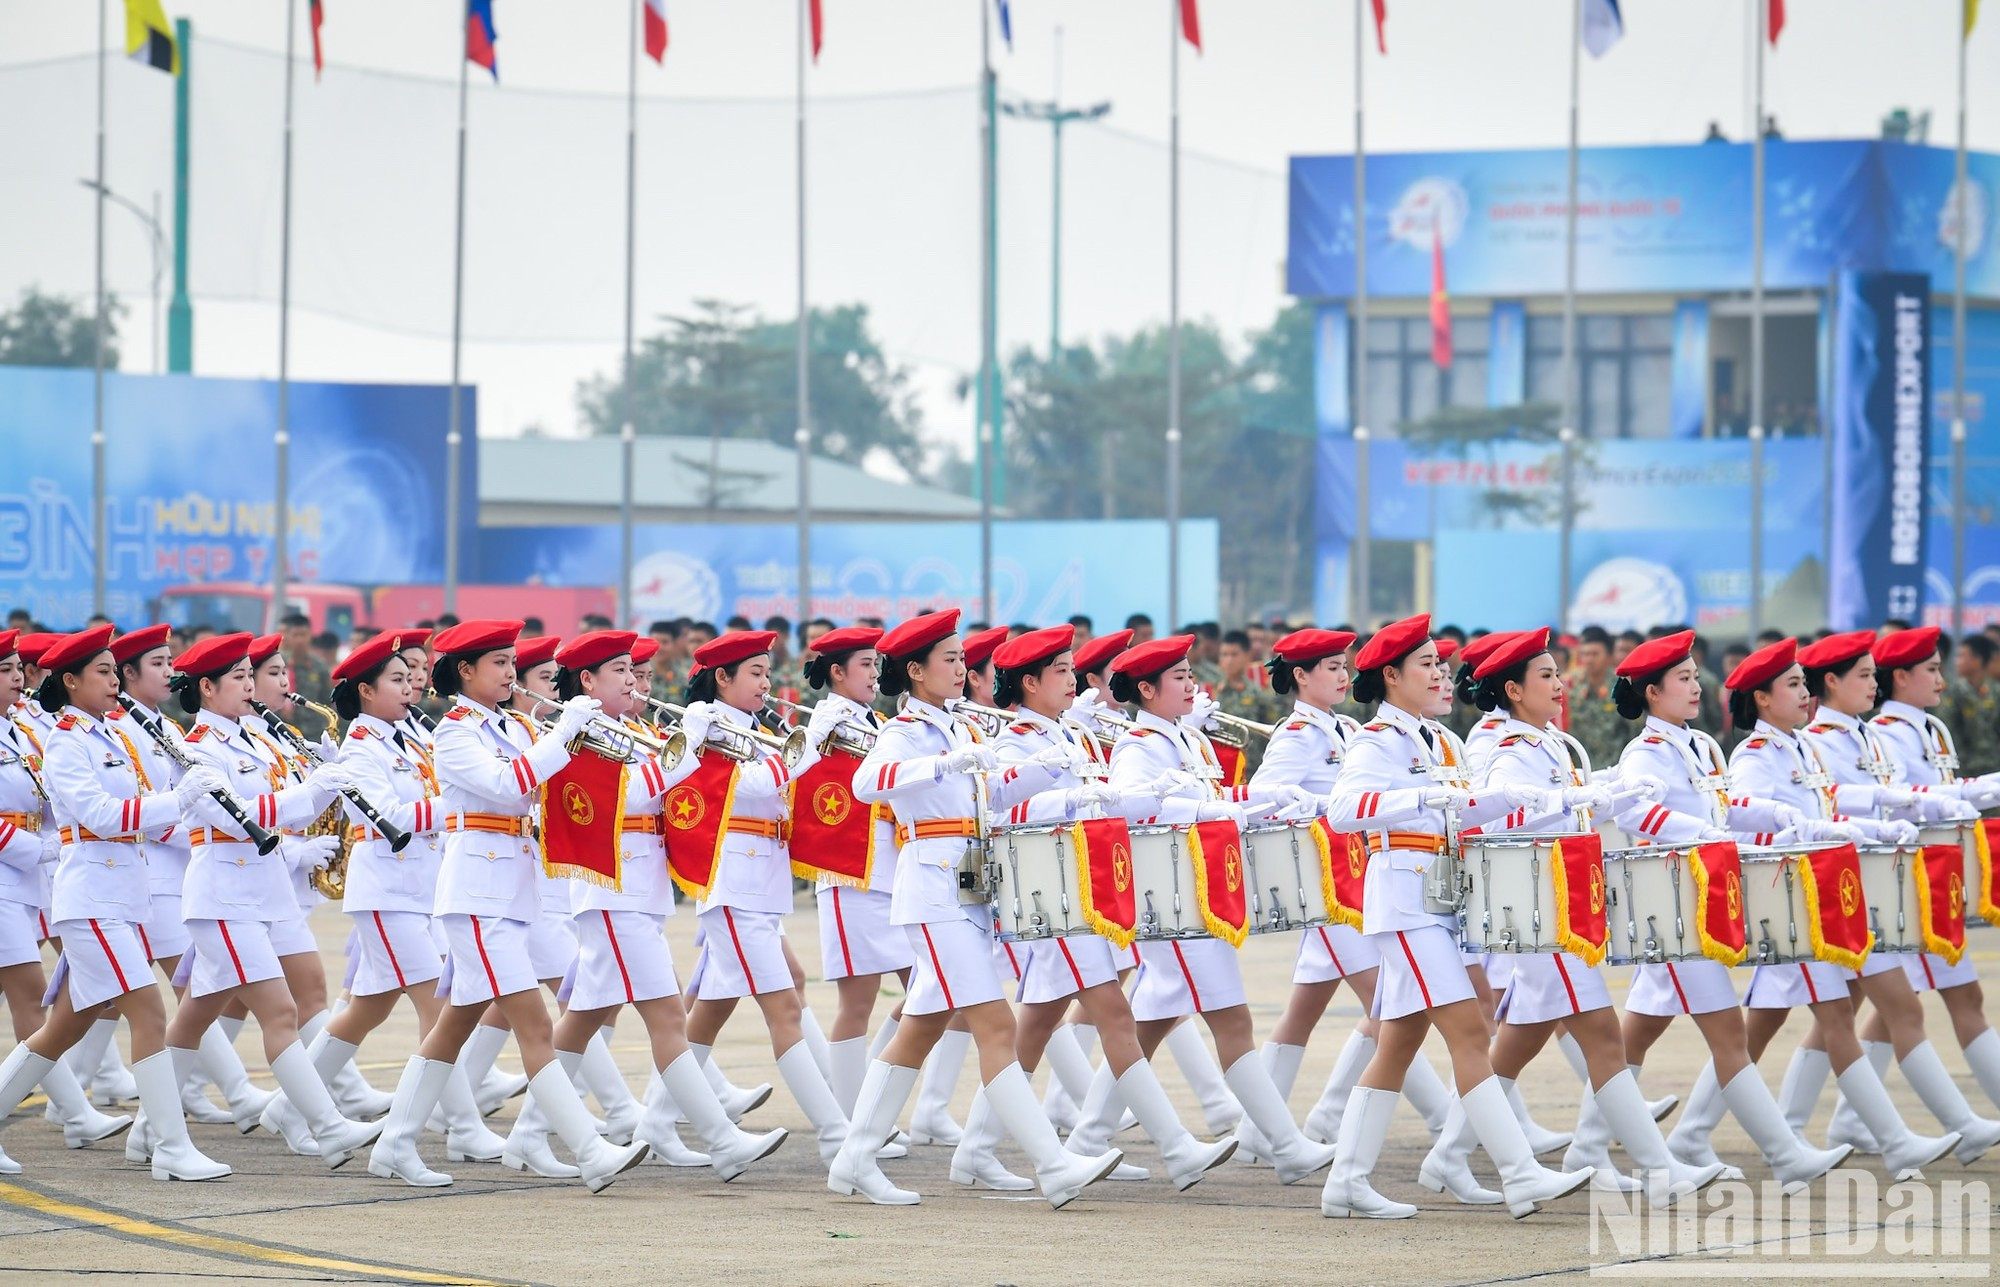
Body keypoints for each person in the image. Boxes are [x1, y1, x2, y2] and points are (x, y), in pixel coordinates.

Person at [831, 610, 1122, 1207]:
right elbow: (866, 784)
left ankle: (854, 1158)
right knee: (997, 1024)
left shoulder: (959, 727)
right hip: (933, 889)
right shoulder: (907, 730)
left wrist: (1048, 770)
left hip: (966, 886)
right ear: (915, 671)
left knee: (918, 1030)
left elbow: (990, 797)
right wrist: (942, 763)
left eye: (964, 659)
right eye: (950, 660)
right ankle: (1053, 1163)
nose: (963, 669)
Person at [1433, 630, 1724, 1207]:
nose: (1560, 683)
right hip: (1543, 909)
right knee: (1603, 1038)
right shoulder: (1506, 747)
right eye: (1546, 676)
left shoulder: (1548, 743)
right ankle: (1660, 1166)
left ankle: (1449, 1152)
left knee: (1520, 1040)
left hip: (1563, 902)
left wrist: (1612, 787)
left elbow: (1574, 809)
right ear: (1513, 690)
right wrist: (1587, 796)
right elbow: (1499, 817)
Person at [1317, 615, 1592, 1220]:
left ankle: (1346, 1183)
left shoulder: (1443, 740)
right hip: (1405, 900)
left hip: (1441, 900)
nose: (1441, 675)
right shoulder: (1377, 740)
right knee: (1470, 1033)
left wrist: (1524, 799)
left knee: (1397, 1043)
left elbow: (1463, 813)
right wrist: (1421, 797)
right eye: (1427, 666)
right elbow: (1342, 811)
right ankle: (1521, 1175)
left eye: (1441, 665)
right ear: (1391, 676)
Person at [360, 618, 647, 1192]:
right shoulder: (455, 731)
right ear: (465, 672)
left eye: (512, 662)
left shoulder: (512, 723)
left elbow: (554, 791)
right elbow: (511, 783)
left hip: (512, 893)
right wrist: (564, 733)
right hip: (476, 895)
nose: (512, 673)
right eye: (498, 663)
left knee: (452, 1026)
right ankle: (590, 1152)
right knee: (537, 1024)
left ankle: (394, 1144)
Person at [1687, 637, 1993, 1172]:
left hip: (1831, 890)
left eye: (1804, 683)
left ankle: (1715, 1134)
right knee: (1837, 1017)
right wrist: (1818, 824)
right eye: (1793, 684)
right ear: (1762, 698)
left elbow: (1831, 806)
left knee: (1772, 1026)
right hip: (1795, 898)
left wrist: (1877, 816)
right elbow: (1741, 816)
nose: (1805, 695)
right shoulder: (1758, 754)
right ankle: (1904, 1139)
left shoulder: (1801, 745)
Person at [955, 625, 1234, 1193]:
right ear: (1029, 683)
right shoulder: (1017, 740)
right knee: (1113, 1013)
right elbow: (1005, 811)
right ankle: (1177, 1149)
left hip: (1079, 889)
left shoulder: (1066, 733)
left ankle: (975, 1149)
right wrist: (1072, 795)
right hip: (1048, 896)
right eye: (1060, 671)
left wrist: (1155, 795)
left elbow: (1103, 804)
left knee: (1035, 1026)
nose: (1073, 680)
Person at [1059, 633, 1337, 1188]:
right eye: (1179, 677)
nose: (1192, 684)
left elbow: (1212, 800)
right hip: (1173, 899)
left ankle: (1086, 1138)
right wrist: (1224, 811)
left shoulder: (1185, 740)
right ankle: (1286, 1147)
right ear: (1145, 689)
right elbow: (1139, 815)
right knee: (1230, 1020)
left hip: (1197, 893)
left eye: (1190, 674)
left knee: (1148, 1027)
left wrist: (1259, 802)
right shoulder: (1140, 745)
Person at [1601, 631, 1855, 1190]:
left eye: (1695, 677)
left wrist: (1774, 815)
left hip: (1698, 900)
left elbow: (1724, 803)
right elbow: (1641, 816)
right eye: (1684, 679)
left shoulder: (1700, 745)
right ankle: (1786, 1156)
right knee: (1728, 1037)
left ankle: (1589, 1148)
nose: (1697, 687)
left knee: (1630, 1040)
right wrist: (1709, 836)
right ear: (1652, 693)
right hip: (1669, 902)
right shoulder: (1643, 751)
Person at [537, 631, 790, 1184]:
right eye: (620, 672)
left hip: (638, 888)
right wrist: (692, 748)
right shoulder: (575, 734)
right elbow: (632, 793)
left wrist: (689, 750)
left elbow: (673, 797)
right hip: (609, 889)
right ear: (586, 681)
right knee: (668, 1015)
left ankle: (530, 1133)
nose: (634, 681)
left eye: (633, 671)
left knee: (581, 1020)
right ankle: (724, 1143)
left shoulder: (630, 730)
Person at [0, 626, 226, 1180]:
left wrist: (188, 793)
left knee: (60, 1030)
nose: (111, 680)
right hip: (91, 897)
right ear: (70, 681)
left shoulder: (110, 735)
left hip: (121, 895)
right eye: (101, 671)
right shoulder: (66, 740)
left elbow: (143, 805)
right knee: (148, 1012)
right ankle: (171, 1147)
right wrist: (177, 799)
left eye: (111, 670)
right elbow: (101, 816)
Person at [302, 631, 504, 1174]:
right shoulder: (361, 747)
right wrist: (456, 803)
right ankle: (459, 1129)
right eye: (397, 678)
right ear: (366, 692)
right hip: (387, 891)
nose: (411, 684)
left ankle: (289, 1105)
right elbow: (384, 815)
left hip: (420, 887)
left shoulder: (405, 737)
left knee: (365, 1010)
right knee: (440, 1006)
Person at [1244, 628, 1450, 1153]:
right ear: (1301, 677)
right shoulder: (1297, 735)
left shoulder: (1344, 727)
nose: (1342, 675)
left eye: (1343, 666)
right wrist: (1322, 805)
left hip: (1349, 879)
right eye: (1332, 667)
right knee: (1389, 1005)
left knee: (1304, 1012)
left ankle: (1264, 1133)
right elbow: (1266, 802)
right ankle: (1448, 1120)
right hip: (1325, 884)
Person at [674, 631, 852, 1166]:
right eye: (753, 672)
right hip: (731, 881)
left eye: (766, 672)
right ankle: (837, 1136)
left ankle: (658, 1121)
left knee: (713, 1009)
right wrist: (801, 753)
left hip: (760, 883)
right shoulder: (705, 723)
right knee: (784, 1008)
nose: (765, 683)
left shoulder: (752, 726)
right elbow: (745, 787)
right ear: (722, 677)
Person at [108, 624, 275, 1133]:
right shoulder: (118, 728)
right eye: (156, 664)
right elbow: (153, 815)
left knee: (192, 995)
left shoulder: (168, 729)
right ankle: (229, 1093)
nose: (168, 671)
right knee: (182, 996)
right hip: (144, 874)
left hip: (173, 875)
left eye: (168, 661)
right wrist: (205, 830)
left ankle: (149, 1113)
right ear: (127, 674)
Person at [1848, 627, 2000, 1111]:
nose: (1942, 678)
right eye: (1931, 670)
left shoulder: (1930, 727)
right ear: (1902, 677)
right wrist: (1983, 791)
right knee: (1953, 1000)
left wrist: (1984, 789)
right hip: (1912, 879)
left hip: (1936, 876)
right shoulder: (1888, 735)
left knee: (1898, 1008)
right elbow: (1908, 805)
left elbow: (1944, 790)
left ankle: (1852, 1121)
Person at [0, 629, 133, 1168]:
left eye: (16, 668)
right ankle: (76, 1112)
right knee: (35, 999)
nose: (17, 677)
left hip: (30, 878)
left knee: (52, 999)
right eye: (6, 670)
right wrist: (40, 847)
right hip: (12, 872)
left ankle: (77, 1112)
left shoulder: (18, 732)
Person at [787, 627, 914, 1117]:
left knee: (928, 989)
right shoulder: (827, 722)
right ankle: (851, 1121)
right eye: (865, 664)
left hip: (891, 866)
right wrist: (821, 727)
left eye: (875, 664)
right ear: (837, 673)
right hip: (849, 873)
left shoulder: (876, 720)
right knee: (857, 1005)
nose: (874, 674)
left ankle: (871, 1103)